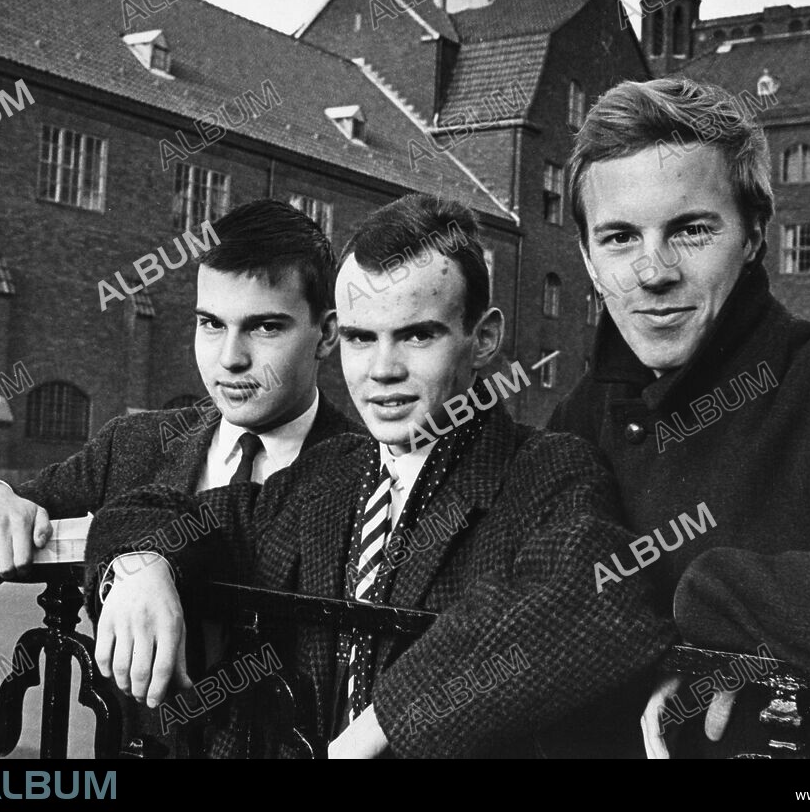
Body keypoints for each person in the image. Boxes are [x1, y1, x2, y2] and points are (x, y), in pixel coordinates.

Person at [83, 193, 675, 758]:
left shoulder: (546, 471)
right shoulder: (325, 473)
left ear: (484, 337)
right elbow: (163, 510)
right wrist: (140, 566)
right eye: (363, 339)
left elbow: (602, 597)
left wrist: (384, 723)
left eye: (418, 335)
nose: (383, 371)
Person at [548, 77, 810, 757]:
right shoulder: (580, 416)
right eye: (619, 237)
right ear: (586, 256)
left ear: (753, 234)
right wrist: (671, 659)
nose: (652, 270)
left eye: (691, 229)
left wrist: (716, 600)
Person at [0, 198, 358, 752]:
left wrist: (143, 556)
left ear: (327, 333)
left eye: (265, 327)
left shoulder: (367, 469)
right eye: (210, 324)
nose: (229, 358)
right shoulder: (137, 443)